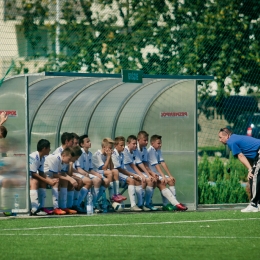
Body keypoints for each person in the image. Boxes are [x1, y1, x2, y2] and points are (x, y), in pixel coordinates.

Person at [218, 127, 260, 213]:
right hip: (257, 155)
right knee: (254, 178)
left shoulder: (231, 141)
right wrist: (251, 169)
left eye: (220, 137)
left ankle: (254, 205)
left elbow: (241, 156)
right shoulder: (235, 138)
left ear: (227, 136)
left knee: (254, 177)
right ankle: (257, 203)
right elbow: (250, 156)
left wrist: (250, 170)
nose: (219, 140)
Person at [147, 134, 188, 211]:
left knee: (171, 181)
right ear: (152, 143)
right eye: (158, 143)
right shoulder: (151, 151)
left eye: (161, 143)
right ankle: (175, 204)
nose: (160, 145)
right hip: (151, 174)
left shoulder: (158, 150)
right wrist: (164, 177)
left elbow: (162, 163)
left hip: (157, 173)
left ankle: (173, 203)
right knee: (163, 182)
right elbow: (156, 165)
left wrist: (170, 175)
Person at [123, 135, 157, 211]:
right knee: (143, 180)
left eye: (135, 144)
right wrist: (142, 176)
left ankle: (146, 204)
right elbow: (133, 166)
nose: (135, 145)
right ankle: (138, 204)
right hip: (126, 173)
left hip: (133, 172)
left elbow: (140, 163)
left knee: (151, 180)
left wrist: (148, 175)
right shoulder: (125, 150)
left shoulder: (135, 151)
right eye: (133, 144)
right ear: (128, 143)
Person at [75, 134, 106, 213]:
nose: (90, 143)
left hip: (86, 173)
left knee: (101, 179)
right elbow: (78, 168)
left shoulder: (90, 154)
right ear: (82, 144)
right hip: (79, 173)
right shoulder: (80, 152)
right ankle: (81, 203)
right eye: (87, 142)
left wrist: (96, 174)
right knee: (95, 181)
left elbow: (90, 169)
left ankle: (93, 203)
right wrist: (87, 174)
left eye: (89, 141)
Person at [111, 136, 142, 211]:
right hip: (115, 174)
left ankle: (140, 204)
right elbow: (119, 169)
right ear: (115, 146)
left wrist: (133, 175)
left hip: (120, 173)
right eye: (121, 145)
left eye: (123, 145)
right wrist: (132, 175)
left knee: (138, 180)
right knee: (131, 180)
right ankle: (133, 205)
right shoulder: (114, 154)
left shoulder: (121, 154)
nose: (123, 147)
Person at [43, 147, 78, 215]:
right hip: (43, 176)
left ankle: (64, 207)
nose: (70, 161)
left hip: (50, 176)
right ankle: (56, 208)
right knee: (56, 181)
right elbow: (55, 174)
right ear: (63, 156)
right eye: (69, 159)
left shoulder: (63, 161)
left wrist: (71, 179)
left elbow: (63, 173)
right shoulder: (54, 158)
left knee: (65, 181)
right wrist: (70, 179)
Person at [92, 137, 127, 203]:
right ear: (104, 147)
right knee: (109, 173)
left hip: (104, 172)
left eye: (112, 148)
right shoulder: (97, 155)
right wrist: (108, 156)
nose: (111, 150)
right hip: (96, 172)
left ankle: (117, 194)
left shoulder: (108, 154)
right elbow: (104, 168)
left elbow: (111, 167)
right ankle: (112, 196)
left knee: (115, 171)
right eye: (110, 148)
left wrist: (110, 157)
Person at [29, 139, 59, 215]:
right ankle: (34, 208)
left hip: (30, 176)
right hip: (23, 177)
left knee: (43, 181)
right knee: (35, 181)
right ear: (44, 148)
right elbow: (33, 174)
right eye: (49, 148)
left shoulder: (42, 158)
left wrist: (50, 180)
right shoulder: (33, 156)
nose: (50, 149)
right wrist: (48, 181)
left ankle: (41, 207)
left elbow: (41, 173)